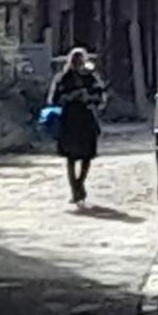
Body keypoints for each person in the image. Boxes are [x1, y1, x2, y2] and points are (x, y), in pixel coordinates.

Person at [50, 47, 108, 205]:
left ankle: (80, 183)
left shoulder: (90, 78)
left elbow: (100, 96)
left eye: (80, 61)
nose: (78, 64)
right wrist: (71, 96)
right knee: (70, 157)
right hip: (69, 120)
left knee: (87, 156)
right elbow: (54, 100)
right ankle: (75, 189)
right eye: (75, 61)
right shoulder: (63, 78)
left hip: (86, 118)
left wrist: (89, 97)